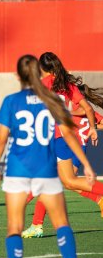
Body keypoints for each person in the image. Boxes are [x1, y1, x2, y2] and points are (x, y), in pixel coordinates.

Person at [0, 54, 96, 258]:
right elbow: (67, 128)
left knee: (14, 227)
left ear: (18, 75)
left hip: (22, 164)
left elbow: (1, 138)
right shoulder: (54, 95)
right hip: (49, 160)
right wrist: (85, 162)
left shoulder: (13, 100)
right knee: (62, 221)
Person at [22, 52, 103, 238]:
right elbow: (88, 109)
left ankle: (35, 223)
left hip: (58, 139)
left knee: (63, 181)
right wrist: (92, 127)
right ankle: (37, 224)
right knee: (62, 182)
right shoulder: (67, 85)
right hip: (69, 140)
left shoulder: (42, 86)